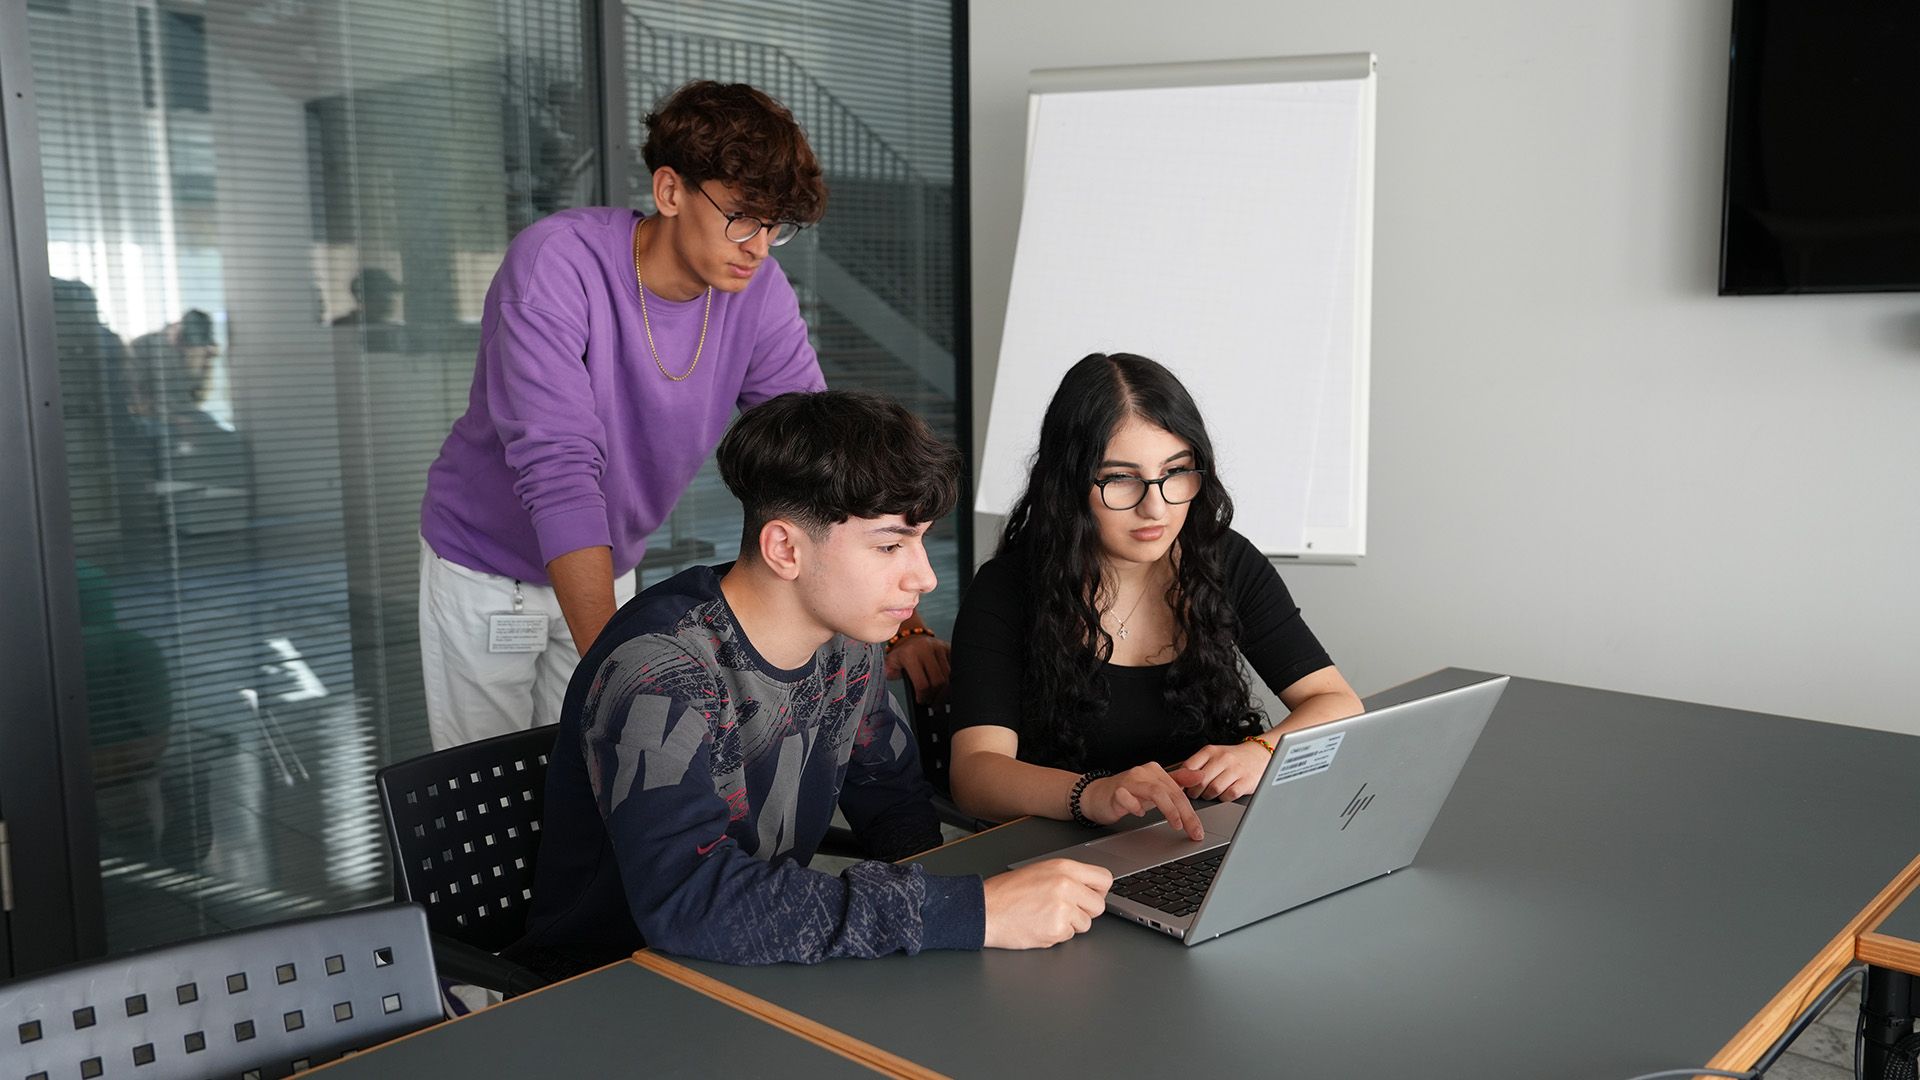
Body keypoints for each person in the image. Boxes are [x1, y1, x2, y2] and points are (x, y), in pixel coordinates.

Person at [417, 81, 948, 751]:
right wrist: (622, 675)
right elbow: (558, 470)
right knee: (495, 786)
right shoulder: (556, 264)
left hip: (607, 558)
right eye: (742, 217)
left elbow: (819, 456)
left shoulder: (757, 291)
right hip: (488, 568)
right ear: (670, 191)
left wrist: (899, 618)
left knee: (594, 773)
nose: (759, 246)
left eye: (775, 226)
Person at [507, 391, 1109, 973]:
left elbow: (896, 808)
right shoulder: (663, 670)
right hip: (613, 986)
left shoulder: (846, 644)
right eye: (890, 546)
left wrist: (975, 920)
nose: (924, 577)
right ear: (785, 549)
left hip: (758, 963)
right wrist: (968, 912)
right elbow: (689, 901)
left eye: (920, 541)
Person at [946, 353, 1365, 838]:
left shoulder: (1223, 557)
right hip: (1066, 849)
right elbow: (975, 773)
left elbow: (1336, 701)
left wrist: (1263, 752)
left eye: (1176, 472)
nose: (1156, 507)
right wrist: (1092, 793)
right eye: (1120, 479)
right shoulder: (1007, 589)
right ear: (1069, 484)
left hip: (1207, 835)